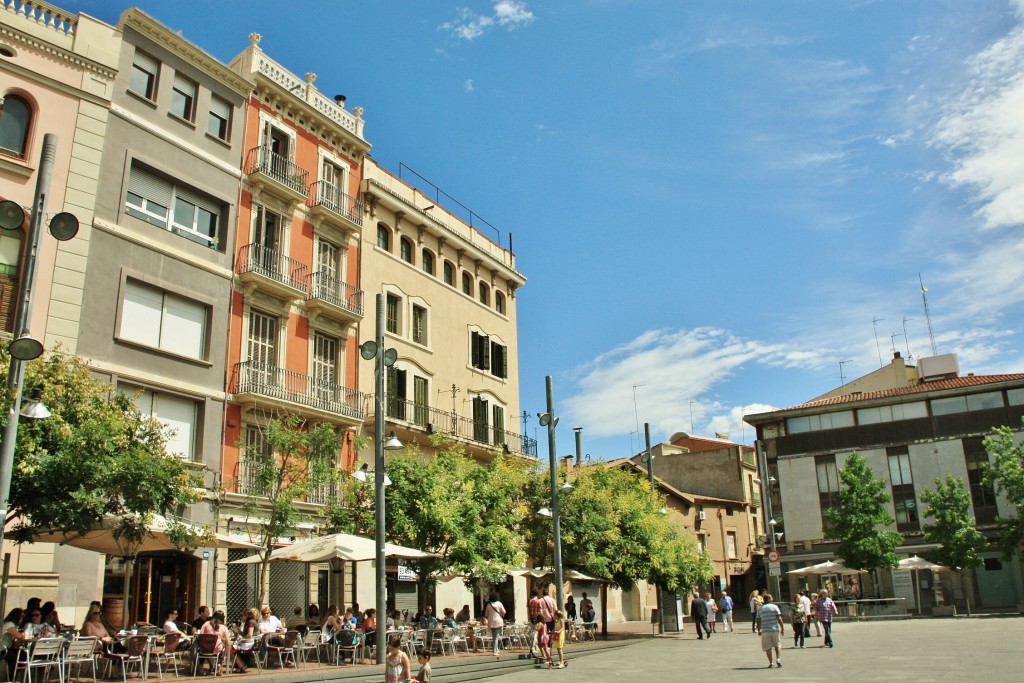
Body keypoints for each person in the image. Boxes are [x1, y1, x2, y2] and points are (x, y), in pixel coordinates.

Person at [756, 593, 784, 668]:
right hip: (774, 629)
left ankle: (771, 662)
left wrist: (759, 629)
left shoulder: (760, 608)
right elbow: (779, 618)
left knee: (767, 647)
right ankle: (778, 659)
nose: (772, 599)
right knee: (777, 644)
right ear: (769, 599)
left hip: (765, 630)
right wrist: (782, 628)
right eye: (771, 598)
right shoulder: (775, 607)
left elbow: (758, 621)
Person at [2, 608, 31, 678]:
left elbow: (15, 640)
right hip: (2, 649)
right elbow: (19, 636)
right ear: (17, 617)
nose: (22, 619)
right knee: (18, 656)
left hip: (6, 648)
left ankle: (12, 676)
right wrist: (26, 635)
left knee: (20, 654)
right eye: (22, 617)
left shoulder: (9, 624)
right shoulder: (9, 624)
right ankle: (12, 677)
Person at [482, 591, 506, 658]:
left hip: (491, 621)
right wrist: (501, 615)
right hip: (498, 621)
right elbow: (504, 612)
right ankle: (495, 651)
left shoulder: (489, 605)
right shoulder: (499, 603)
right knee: (496, 637)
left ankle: (496, 649)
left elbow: (486, 614)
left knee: (494, 636)